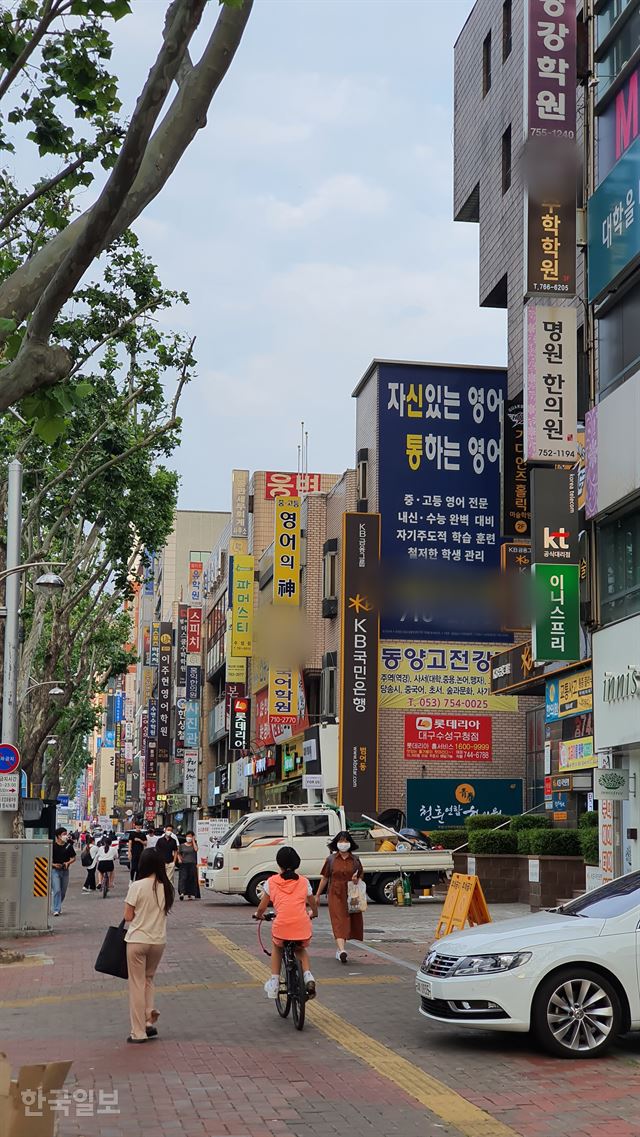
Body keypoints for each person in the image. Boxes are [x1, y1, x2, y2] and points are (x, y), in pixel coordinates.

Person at [124, 848, 174, 1043]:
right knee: (148, 979)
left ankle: (138, 1032)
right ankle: (148, 1019)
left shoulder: (137, 886)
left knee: (136, 984)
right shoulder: (167, 887)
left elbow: (128, 916)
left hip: (137, 940)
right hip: (158, 941)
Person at [254, 846, 317, 1000]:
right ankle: (308, 976)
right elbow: (312, 902)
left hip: (282, 925)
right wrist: (313, 913)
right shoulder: (304, 881)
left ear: (279, 863)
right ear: (297, 863)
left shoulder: (271, 881)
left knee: (278, 946)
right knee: (300, 949)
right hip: (302, 924)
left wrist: (258, 915)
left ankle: (274, 982)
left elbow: (262, 906)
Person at [316, 831, 365, 964]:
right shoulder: (331, 860)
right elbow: (325, 878)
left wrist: (356, 879)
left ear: (350, 843)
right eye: (341, 841)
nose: (343, 844)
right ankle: (342, 950)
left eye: (346, 841)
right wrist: (317, 894)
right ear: (336, 843)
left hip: (351, 894)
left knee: (349, 921)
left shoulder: (355, 860)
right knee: (338, 920)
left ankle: (340, 950)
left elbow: (361, 875)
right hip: (335, 893)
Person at [51, 827, 76, 916]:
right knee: (56, 890)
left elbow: (73, 858)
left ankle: (57, 905)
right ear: (58, 836)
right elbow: (47, 859)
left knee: (63, 892)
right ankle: (56, 909)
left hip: (65, 871)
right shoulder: (52, 846)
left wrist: (68, 862)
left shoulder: (68, 846)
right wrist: (54, 865)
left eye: (66, 834)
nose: (66, 836)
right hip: (54, 871)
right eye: (63, 834)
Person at [177, 831, 200, 900]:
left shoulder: (194, 844)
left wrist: (193, 841)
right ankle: (182, 893)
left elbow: (196, 849)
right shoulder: (182, 845)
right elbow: (178, 853)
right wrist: (179, 859)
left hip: (192, 863)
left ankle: (191, 893)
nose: (189, 838)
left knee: (191, 879)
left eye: (190, 836)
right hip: (184, 864)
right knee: (183, 878)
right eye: (188, 836)